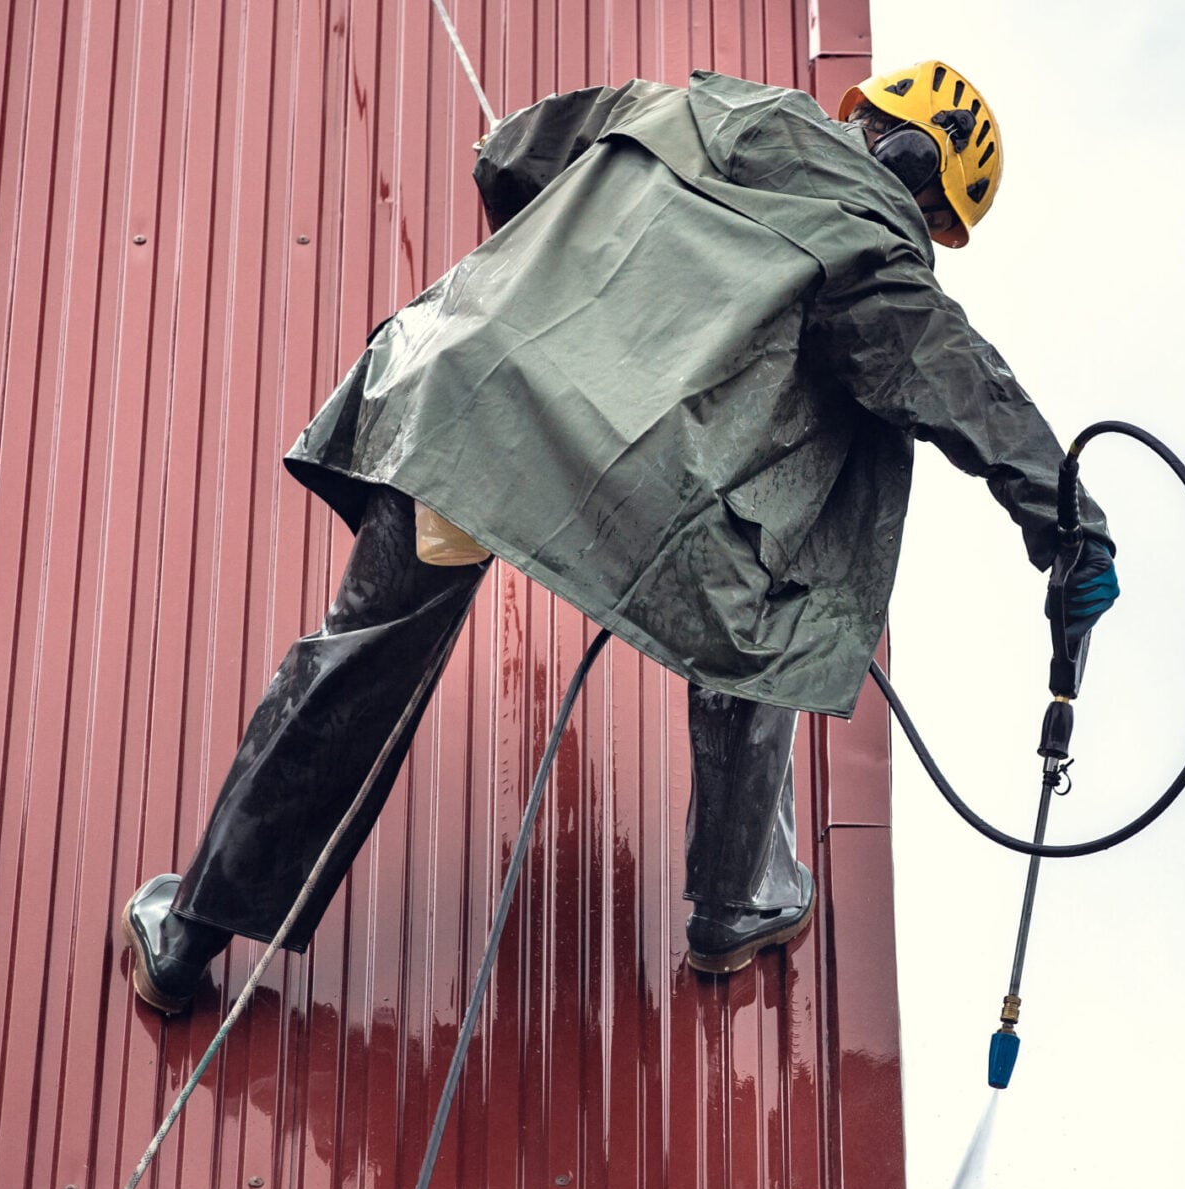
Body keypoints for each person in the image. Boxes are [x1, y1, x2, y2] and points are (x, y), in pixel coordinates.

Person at [119, 61, 1118, 1013]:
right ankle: (734, 901)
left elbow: (505, 158)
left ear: (867, 118)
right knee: (775, 593)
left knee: (359, 664)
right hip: (662, 506)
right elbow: (973, 400)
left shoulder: (685, 108)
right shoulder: (881, 263)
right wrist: (1076, 537)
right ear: (933, 209)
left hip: (474, 412)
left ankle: (191, 937)